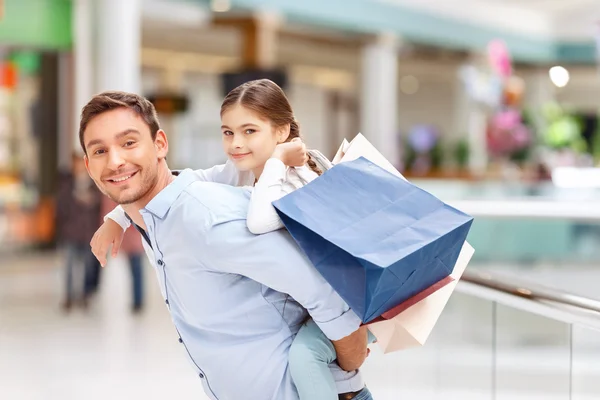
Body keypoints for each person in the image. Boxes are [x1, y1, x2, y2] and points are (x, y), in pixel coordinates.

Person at [91, 80, 375, 400]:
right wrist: (116, 217)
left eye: (249, 131)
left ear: (281, 132)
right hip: (317, 326)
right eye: (228, 132)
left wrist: (351, 352)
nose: (236, 143)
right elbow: (188, 180)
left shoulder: (289, 179)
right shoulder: (236, 175)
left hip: (344, 302)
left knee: (306, 357)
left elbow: (317, 286)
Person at [56, 154, 102, 311]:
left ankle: (84, 295)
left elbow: (100, 205)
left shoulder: (94, 183)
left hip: (88, 233)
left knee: (88, 267)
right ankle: (69, 296)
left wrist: (90, 200)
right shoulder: (67, 184)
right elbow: (61, 206)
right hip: (70, 232)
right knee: (69, 266)